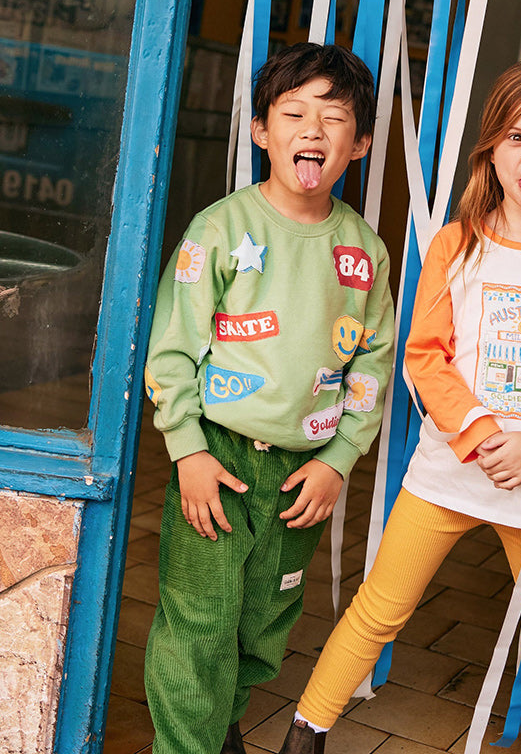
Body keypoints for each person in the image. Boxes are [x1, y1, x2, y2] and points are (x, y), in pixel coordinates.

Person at [277, 58, 521, 754]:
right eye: (517, 137)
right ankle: (305, 733)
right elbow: (425, 355)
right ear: (491, 149)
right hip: (446, 475)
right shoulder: (457, 244)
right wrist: (478, 434)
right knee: (378, 610)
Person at [142, 42, 394, 754]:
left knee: (262, 626)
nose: (313, 130)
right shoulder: (221, 230)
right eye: (293, 113)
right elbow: (171, 349)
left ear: (360, 142)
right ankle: (186, 744)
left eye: (334, 118)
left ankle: (218, 727)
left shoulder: (364, 253)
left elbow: (372, 365)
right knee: (198, 624)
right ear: (260, 131)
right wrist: (187, 451)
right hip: (216, 459)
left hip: (300, 474)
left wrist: (339, 459)